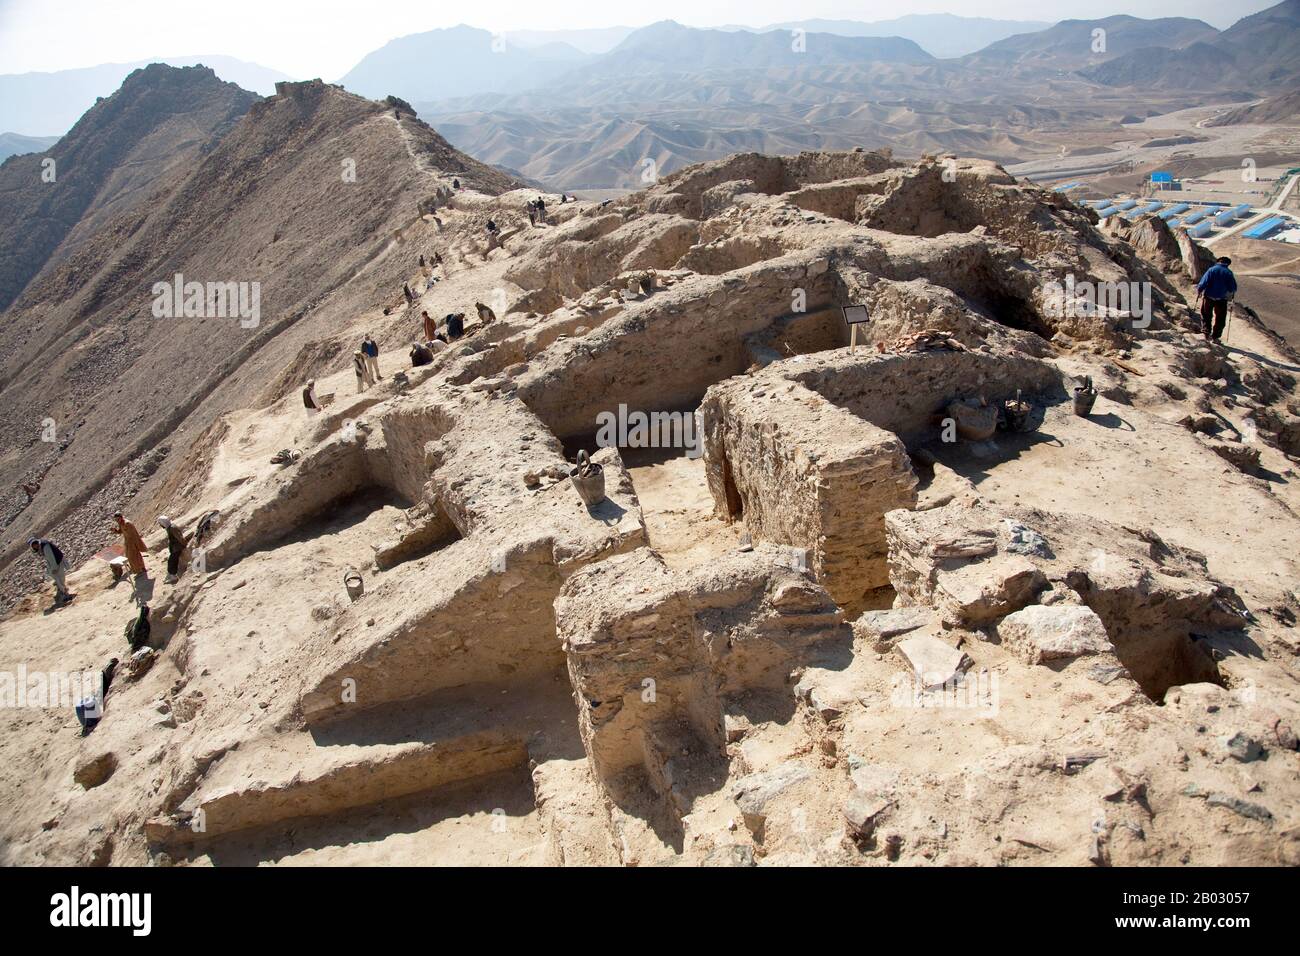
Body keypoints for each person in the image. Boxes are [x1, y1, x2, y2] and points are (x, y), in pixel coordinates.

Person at [1196, 256, 1237, 343]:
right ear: (1228, 264)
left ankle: (1206, 334)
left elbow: (1203, 282)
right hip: (1221, 299)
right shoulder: (1228, 272)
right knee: (1220, 318)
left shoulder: (1211, 270)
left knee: (1206, 315)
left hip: (1209, 296)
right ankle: (1215, 337)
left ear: (1218, 262)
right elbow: (1232, 288)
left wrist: (1199, 290)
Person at [29, 537, 71, 605]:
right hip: (55, 561)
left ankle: (65, 594)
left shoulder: (45, 546)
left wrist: (54, 568)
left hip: (57, 562)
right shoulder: (42, 545)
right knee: (55, 576)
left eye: (35, 544)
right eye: (34, 546)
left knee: (60, 578)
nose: (35, 546)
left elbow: (51, 558)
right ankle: (61, 589)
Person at [157, 516, 190, 584]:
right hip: (175, 547)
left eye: (161, 524)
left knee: (172, 561)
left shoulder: (172, 528)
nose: (161, 525)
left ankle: (173, 576)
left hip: (177, 547)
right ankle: (172, 575)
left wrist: (184, 544)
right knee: (171, 561)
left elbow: (179, 537)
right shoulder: (169, 527)